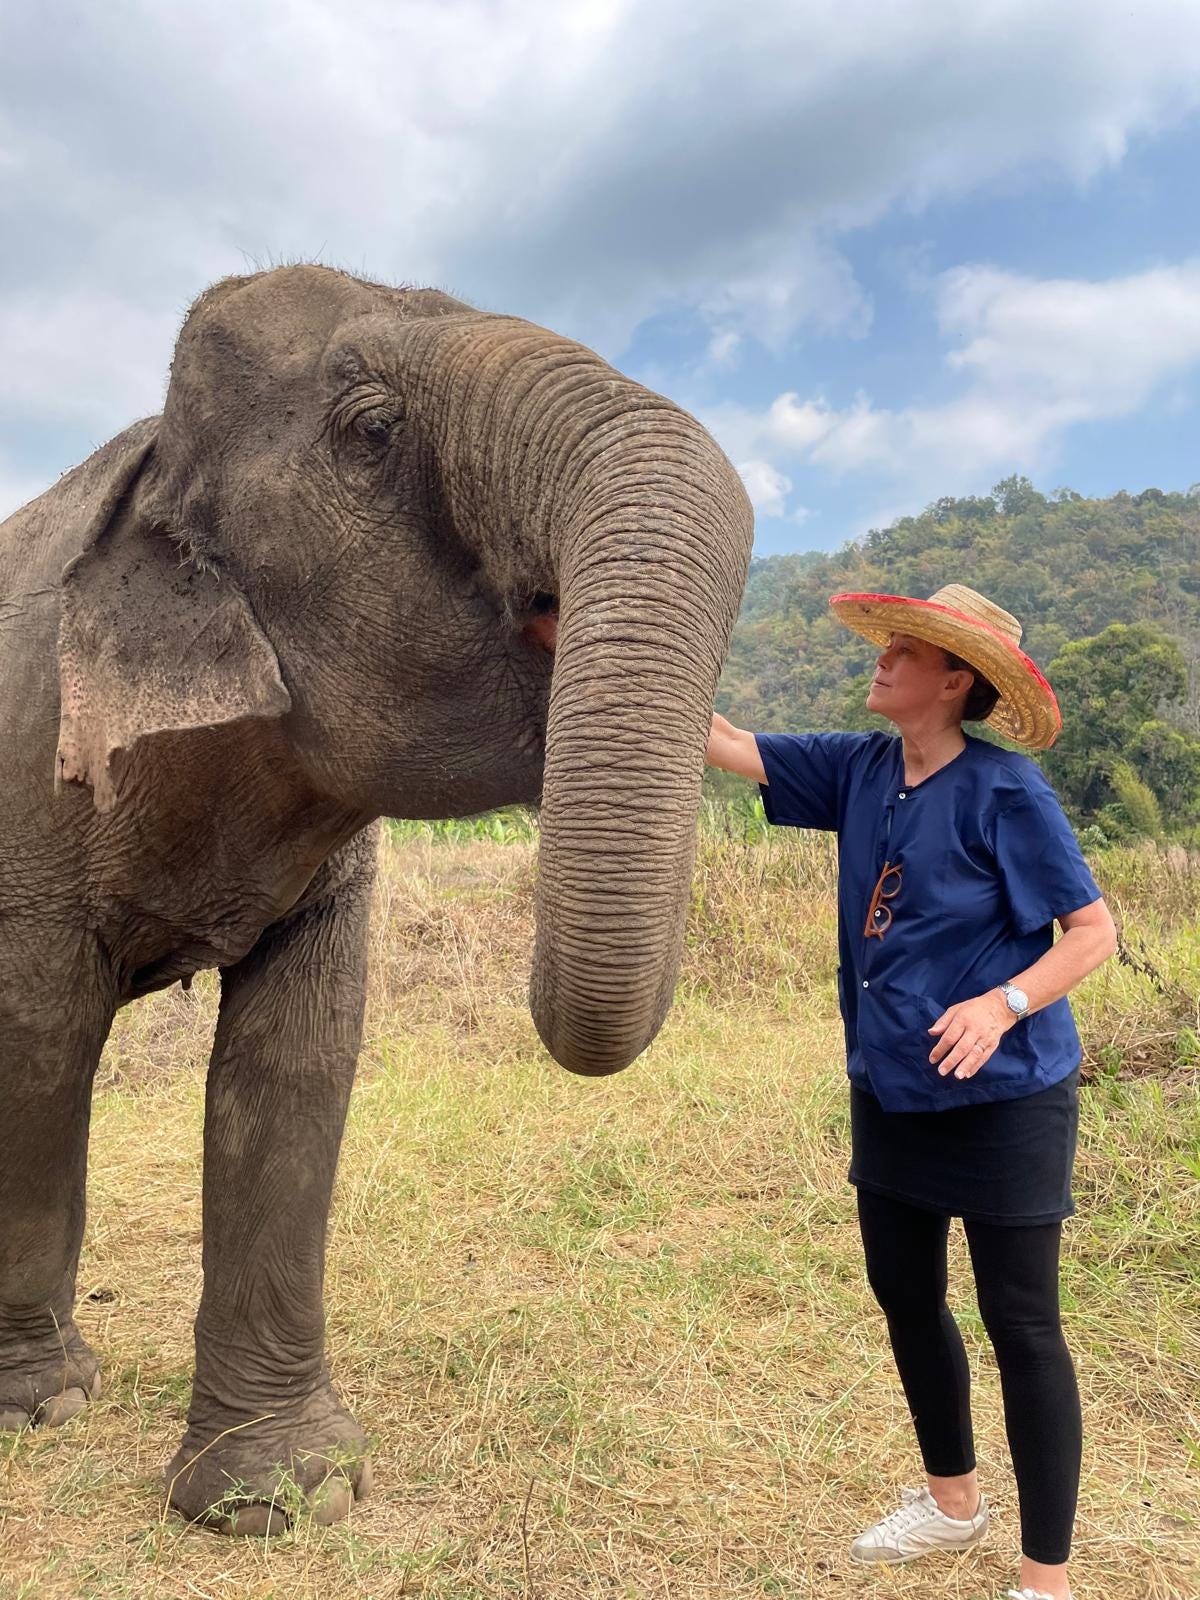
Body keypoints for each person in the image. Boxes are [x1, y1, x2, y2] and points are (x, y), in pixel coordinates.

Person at [707, 584, 1116, 1600]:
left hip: (1005, 1095)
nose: (882, 658)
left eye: (906, 649)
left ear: (955, 678)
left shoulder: (1006, 791)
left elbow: (1093, 933)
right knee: (907, 1296)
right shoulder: (858, 767)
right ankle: (951, 1500)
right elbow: (723, 741)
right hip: (892, 1086)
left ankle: (1045, 1577)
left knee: (1021, 1321)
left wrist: (1003, 1002)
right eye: (889, 643)